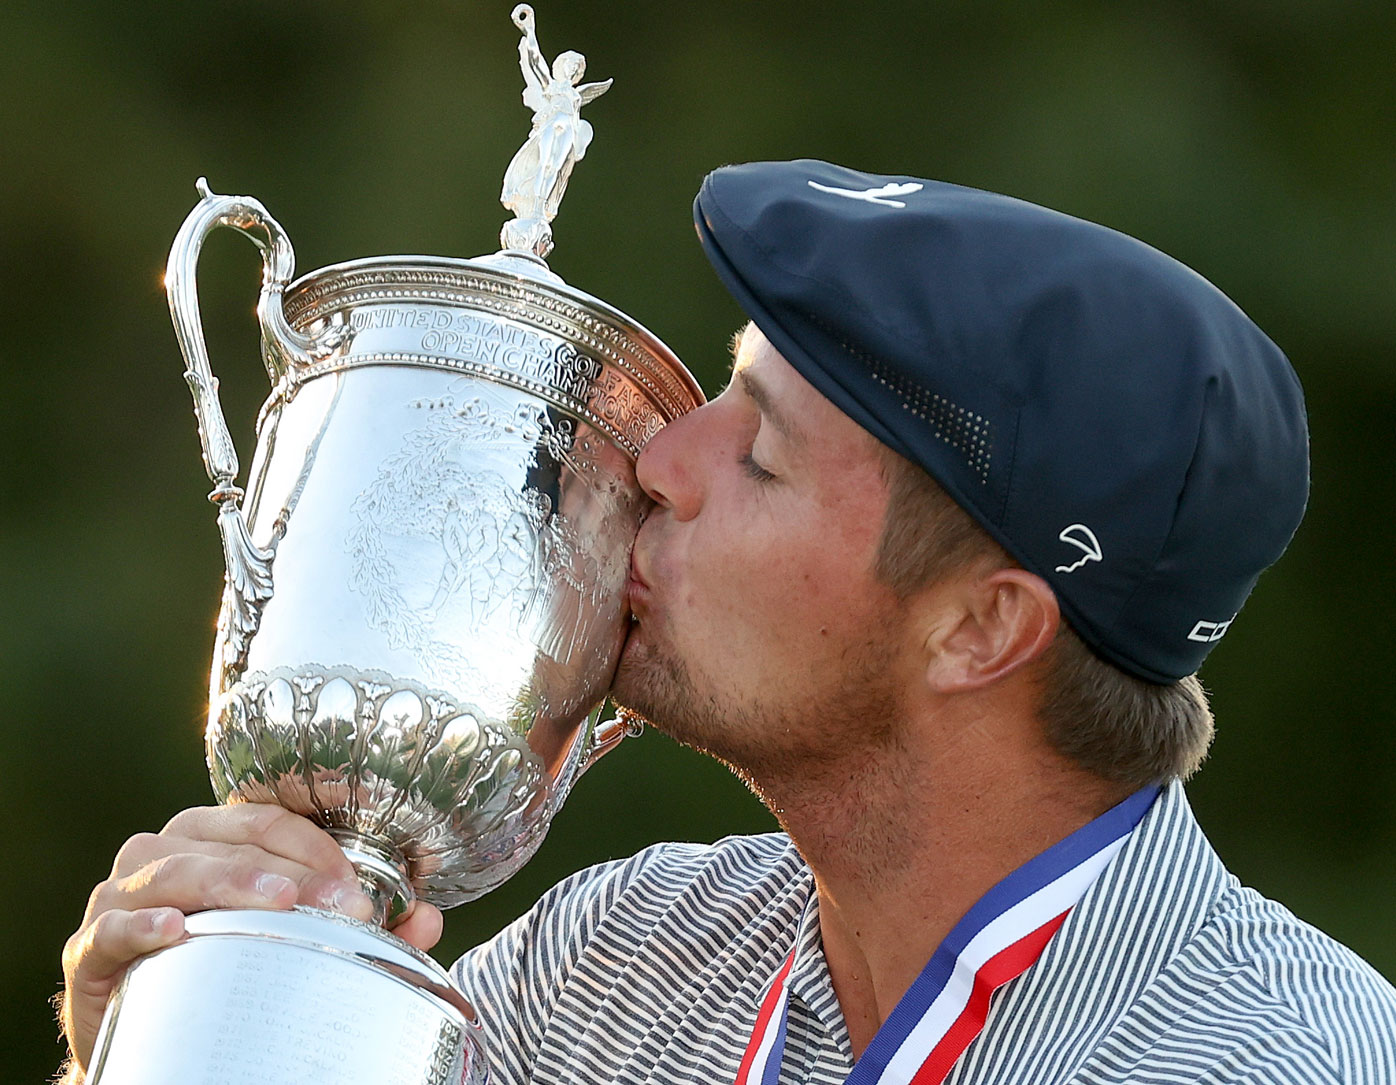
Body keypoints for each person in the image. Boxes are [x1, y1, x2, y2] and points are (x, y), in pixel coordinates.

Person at [58, 161, 1396, 1084]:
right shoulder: (627, 951)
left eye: (761, 455)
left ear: (981, 629)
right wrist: (165, 1030)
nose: (659, 462)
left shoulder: (1286, 1057)